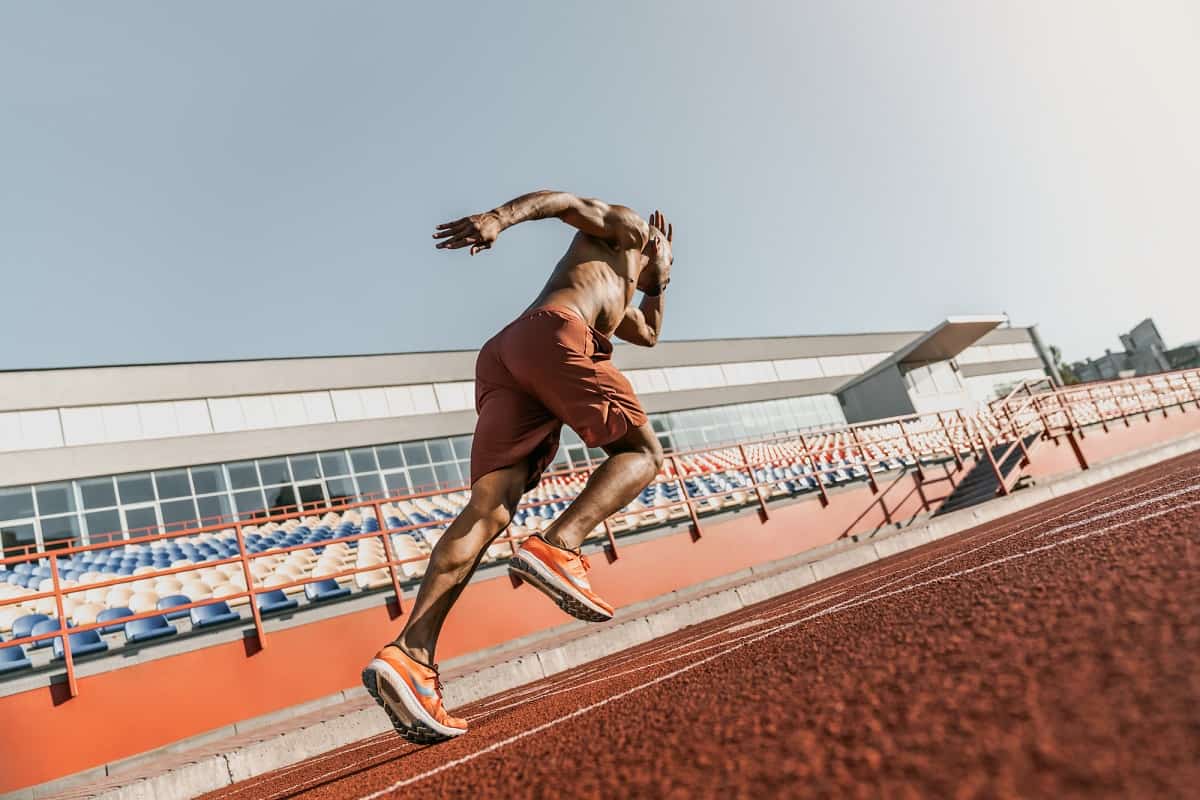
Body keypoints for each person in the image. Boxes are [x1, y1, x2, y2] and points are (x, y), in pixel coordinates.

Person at [361, 190, 674, 743]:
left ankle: (411, 654)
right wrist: (497, 220)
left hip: (507, 354)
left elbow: (648, 334)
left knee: (489, 510)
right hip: (552, 333)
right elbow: (561, 200)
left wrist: (662, 284)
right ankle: (560, 544)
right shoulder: (627, 229)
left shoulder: (623, 289)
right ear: (655, 243)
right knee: (642, 455)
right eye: (667, 256)